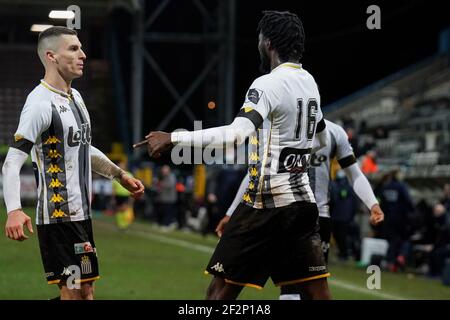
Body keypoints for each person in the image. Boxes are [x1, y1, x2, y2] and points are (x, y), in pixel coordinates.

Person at [141, 11, 331, 300]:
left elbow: (234, 136)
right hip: (303, 205)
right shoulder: (310, 83)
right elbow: (321, 138)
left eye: (259, 37)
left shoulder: (266, 84)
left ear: (268, 43)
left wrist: (173, 138)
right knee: (317, 296)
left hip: (265, 204)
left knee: (217, 294)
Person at [2, 26, 145, 300]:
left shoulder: (75, 97)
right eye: (73, 49)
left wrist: (118, 174)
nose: (83, 54)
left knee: (85, 291)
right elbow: (12, 161)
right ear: (51, 56)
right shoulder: (39, 104)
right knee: (77, 294)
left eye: (80, 47)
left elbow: (83, 148)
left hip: (82, 216)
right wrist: (14, 210)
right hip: (59, 218)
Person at [217, 119, 385, 299]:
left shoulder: (334, 133)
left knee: (312, 290)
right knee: (288, 286)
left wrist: (372, 203)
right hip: (282, 213)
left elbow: (354, 173)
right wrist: (231, 211)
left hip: (318, 218)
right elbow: (255, 174)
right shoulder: (278, 128)